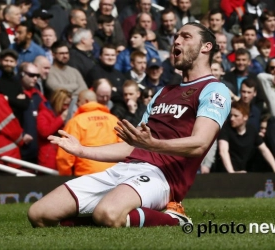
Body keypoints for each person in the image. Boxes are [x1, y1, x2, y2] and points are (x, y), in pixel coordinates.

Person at [28, 22, 231, 229]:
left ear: (206, 47)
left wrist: (152, 144)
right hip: (125, 169)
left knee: (108, 214)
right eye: (176, 36)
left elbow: (200, 144)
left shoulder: (214, 90)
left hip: (162, 176)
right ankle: (99, 216)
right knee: (39, 214)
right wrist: (82, 150)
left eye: (186, 37)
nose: (176, 41)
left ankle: (173, 218)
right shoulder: (163, 92)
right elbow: (134, 145)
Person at [56, 89, 122, 176]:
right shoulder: (113, 120)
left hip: (87, 175)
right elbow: (123, 147)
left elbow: (65, 156)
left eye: (78, 101)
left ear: (86, 101)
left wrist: (65, 176)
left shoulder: (75, 122)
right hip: (113, 174)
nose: (76, 104)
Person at [216, 101, 275, 173]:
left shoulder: (251, 130)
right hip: (224, 173)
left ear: (245, 117)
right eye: (231, 115)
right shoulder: (225, 129)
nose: (232, 118)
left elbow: (264, 150)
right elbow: (223, 151)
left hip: (243, 172)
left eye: (236, 116)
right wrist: (231, 172)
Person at [37, 89, 71, 170]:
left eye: (68, 105)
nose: (67, 108)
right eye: (65, 104)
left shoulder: (65, 114)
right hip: (48, 157)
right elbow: (44, 132)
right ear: (58, 101)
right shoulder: (44, 114)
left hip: (62, 156)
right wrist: (61, 119)